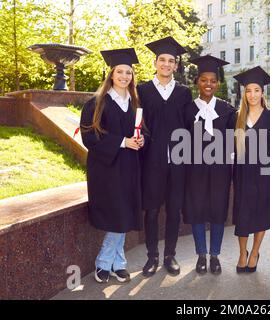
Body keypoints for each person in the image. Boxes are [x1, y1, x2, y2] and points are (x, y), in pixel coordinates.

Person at [80, 48, 145, 283]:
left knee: (124, 213)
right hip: (106, 169)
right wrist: (122, 142)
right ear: (111, 74)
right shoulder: (96, 103)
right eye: (120, 72)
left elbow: (141, 131)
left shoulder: (135, 103)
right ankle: (105, 262)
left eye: (128, 72)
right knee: (118, 214)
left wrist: (140, 139)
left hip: (129, 168)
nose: (124, 76)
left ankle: (118, 263)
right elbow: (90, 137)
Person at [138, 36, 193, 277]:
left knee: (174, 209)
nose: (166, 64)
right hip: (151, 161)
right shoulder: (142, 90)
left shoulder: (183, 93)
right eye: (162, 60)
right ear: (155, 62)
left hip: (178, 162)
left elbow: (190, 127)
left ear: (176, 66)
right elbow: (138, 125)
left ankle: (170, 255)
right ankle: (152, 256)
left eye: (171, 61)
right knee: (151, 210)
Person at [183, 55, 235, 275]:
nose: (208, 84)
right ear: (197, 82)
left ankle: (215, 255)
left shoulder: (227, 110)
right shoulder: (187, 110)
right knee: (196, 211)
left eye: (213, 80)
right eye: (204, 80)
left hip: (220, 169)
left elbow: (233, 140)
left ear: (218, 84)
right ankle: (201, 255)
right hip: (194, 169)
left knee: (217, 212)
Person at [232, 66, 270, 273]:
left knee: (261, 213)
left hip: (265, 174)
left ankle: (255, 251)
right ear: (244, 94)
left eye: (256, 90)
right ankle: (242, 252)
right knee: (243, 214)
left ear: (262, 93)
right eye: (249, 91)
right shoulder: (237, 117)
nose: (252, 95)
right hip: (242, 174)